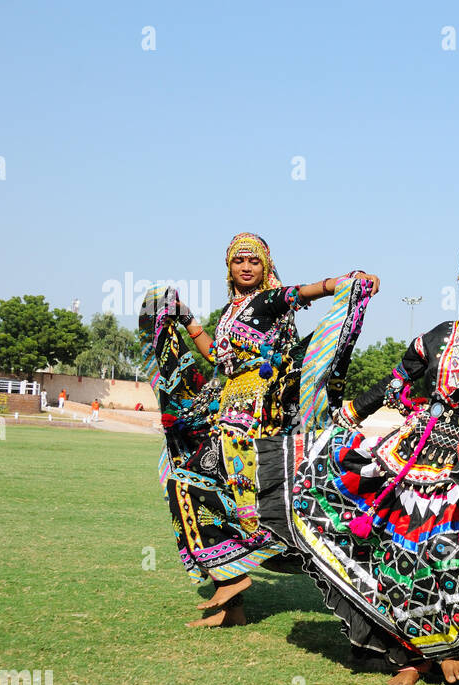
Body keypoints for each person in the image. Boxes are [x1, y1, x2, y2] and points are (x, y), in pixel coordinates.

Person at [255, 245, 459, 685]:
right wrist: (349, 413)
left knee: (458, 556)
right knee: (402, 554)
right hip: (422, 451)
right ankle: (415, 656)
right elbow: (395, 382)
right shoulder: (438, 336)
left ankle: (454, 649)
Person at [138, 232, 378, 627]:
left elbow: (304, 292)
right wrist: (189, 320)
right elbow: (218, 357)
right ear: (228, 267)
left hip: (253, 416)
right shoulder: (231, 310)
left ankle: (235, 574)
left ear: (265, 266)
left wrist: (343, 282)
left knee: (195, 486)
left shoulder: (269, 300)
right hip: (227, 407)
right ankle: (232, 607)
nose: (246, 267)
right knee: (186, 481)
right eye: (239, 261)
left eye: (254, 261)